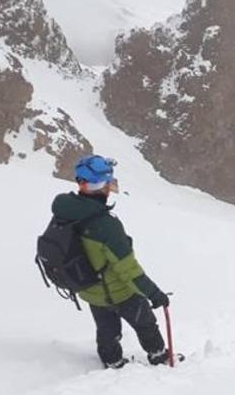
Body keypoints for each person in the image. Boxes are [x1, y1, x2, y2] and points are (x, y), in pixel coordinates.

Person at [50, 155, 172, 368]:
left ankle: (112, 361)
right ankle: (159, 356)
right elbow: (129, 270)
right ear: (104, 185)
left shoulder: (65, 211)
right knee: (145, 324)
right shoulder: (106, 225)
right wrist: (155, 294)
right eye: (108, 182)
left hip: (89, 289)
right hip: (120, 292)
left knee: (106, 331)